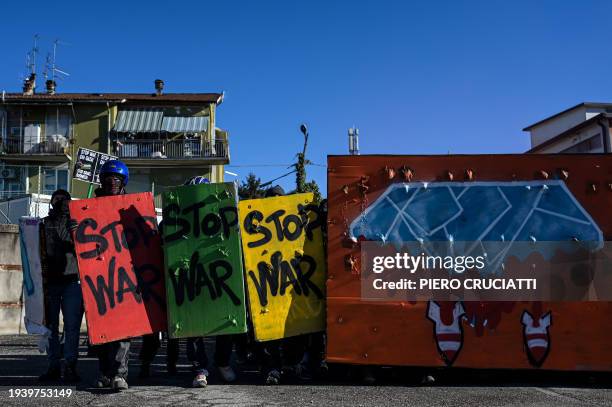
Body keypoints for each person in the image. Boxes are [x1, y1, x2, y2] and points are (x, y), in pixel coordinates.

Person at [91, 160, 132, 391]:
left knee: (123, 329)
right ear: (101, 181)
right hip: (99, 276)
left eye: (116, 179)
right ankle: (104, 372)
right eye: (108, 178)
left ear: (123, 182)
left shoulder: (130, 206)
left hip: (125, 275)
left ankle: (119, 374)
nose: (112, 183)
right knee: (102, 329)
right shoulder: (90, 206)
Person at [38, 189, 84, 383]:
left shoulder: (76, 223)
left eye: (64, 199)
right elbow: (36, 252)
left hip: (73, 281)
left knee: (72, 327)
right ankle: (53, 366)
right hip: (50, 282)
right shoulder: (44, 224)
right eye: (56, 199)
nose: (60, 202)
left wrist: (77, 233)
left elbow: (85, 249)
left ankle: (71, 365)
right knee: (50, 327)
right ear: (51, 202)